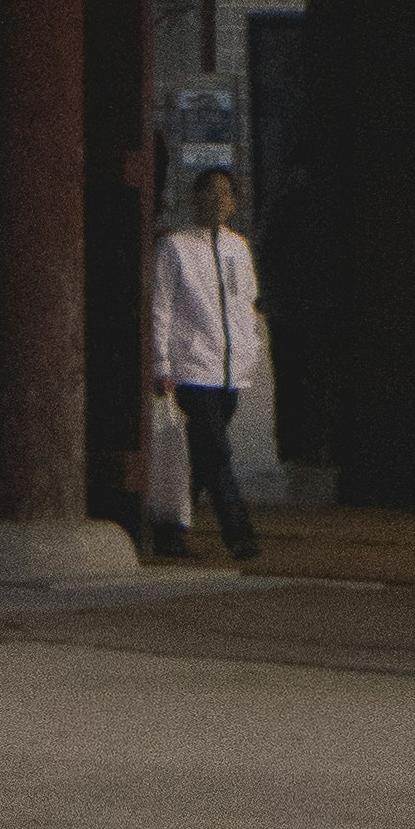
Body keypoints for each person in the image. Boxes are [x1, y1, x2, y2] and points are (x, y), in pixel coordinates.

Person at [149, 169, 266, 571]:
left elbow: (246, 303)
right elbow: (161, 307)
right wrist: (161, 363)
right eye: (211, 194)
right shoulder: (175, 248)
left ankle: (169, 531)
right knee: (216, 451)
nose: (219, 201)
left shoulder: (238, 247)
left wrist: (251, 349)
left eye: (226, 194)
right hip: (191, 370)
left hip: (230, 372)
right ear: (195, 198)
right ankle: (239, 535)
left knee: (201, 456)